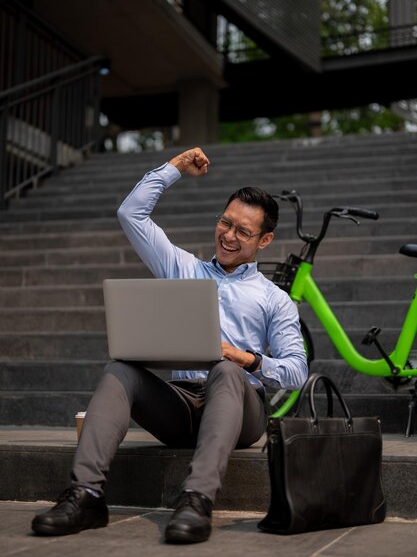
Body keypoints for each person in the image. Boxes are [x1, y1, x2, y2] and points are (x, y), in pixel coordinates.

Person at [31, 147, 308, 543]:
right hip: (182, 405)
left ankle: (197, 500)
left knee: (225, 370)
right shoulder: (183, 268)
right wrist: (174, 168)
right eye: (225, 223)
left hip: (241, 407)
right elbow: (131, 214)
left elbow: (298, 371)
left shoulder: (274, 298)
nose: (228, 236)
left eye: (243, 231)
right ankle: (86, 495)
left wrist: (245, 358)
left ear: (265, 240)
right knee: (120, 370)